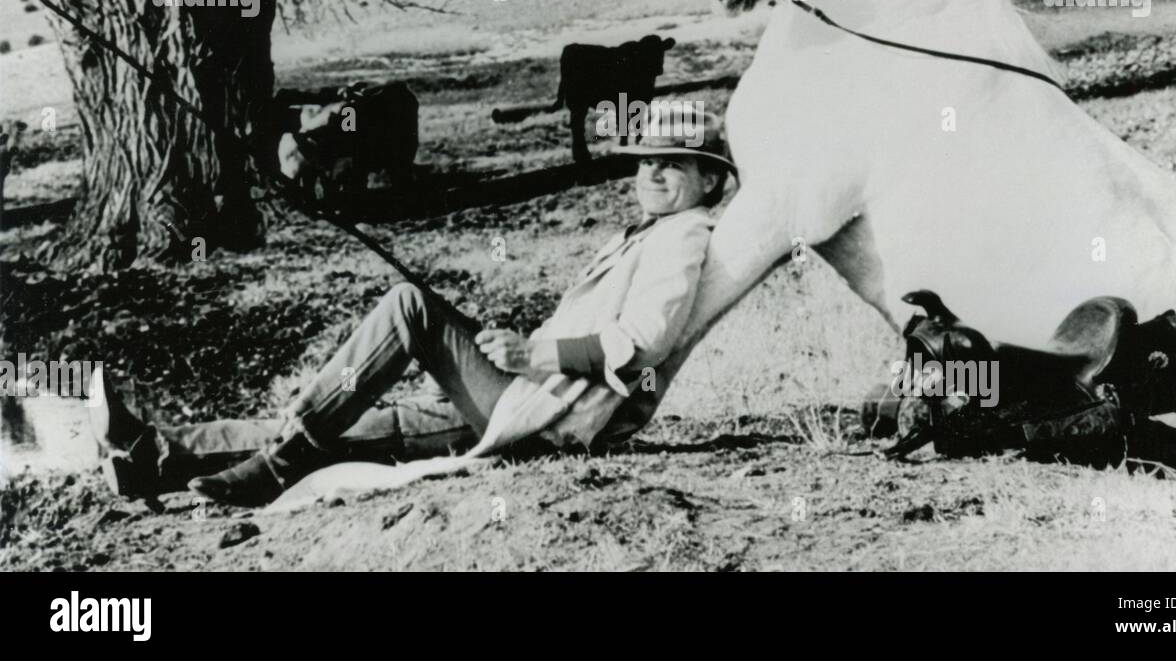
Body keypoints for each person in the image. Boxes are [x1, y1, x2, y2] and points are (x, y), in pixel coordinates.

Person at [90, 108, 736, 507]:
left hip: (545, 416)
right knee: (359, 430)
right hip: (523, 398)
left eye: (671, 164)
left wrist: (530, 352)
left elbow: (645, 340)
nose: (651, 174)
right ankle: (152, 456)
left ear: (709, 178)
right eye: (646, 160)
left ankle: (283, 456)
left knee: (409, 306)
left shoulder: (684, 236)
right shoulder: (651, 231)